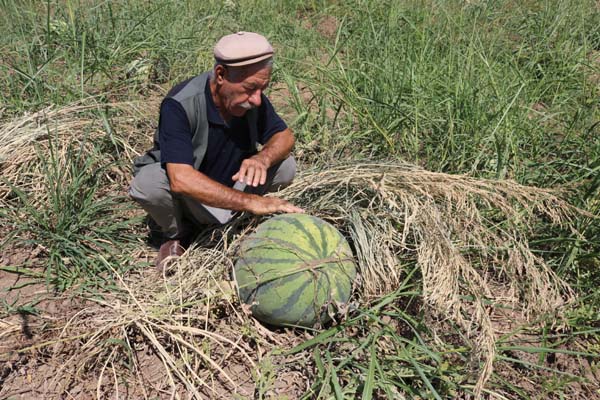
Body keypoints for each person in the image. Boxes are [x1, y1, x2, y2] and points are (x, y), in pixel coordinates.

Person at [129, 32, 303, 270]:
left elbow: (284, 136)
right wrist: (251, 201)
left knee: (285, 166)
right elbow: (181, 180)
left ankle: (238, 222)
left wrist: (262, 159)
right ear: (221, 75)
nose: (257, 100)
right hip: (191, 200)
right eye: (250, 89)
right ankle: (178, 233)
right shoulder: (180, 104)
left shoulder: (251, 98)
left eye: (262, 88)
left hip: (232, 188)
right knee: (148, 183)